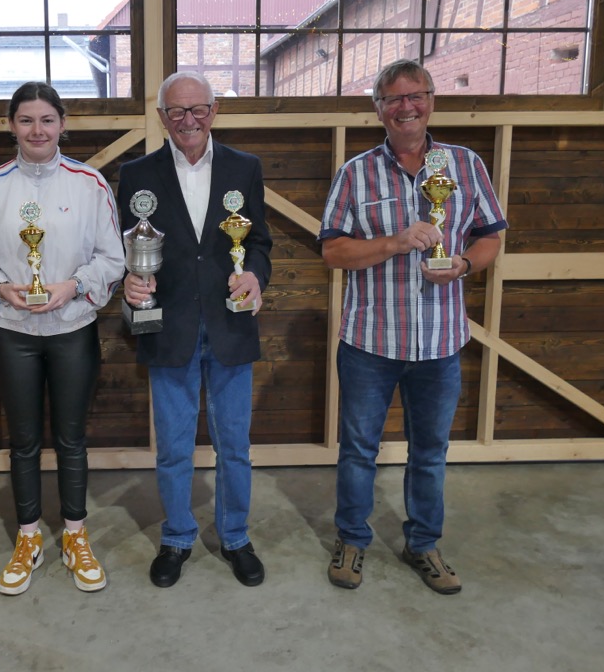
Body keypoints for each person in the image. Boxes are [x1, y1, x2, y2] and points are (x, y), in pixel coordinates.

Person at [319, 59, 508, 595]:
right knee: (358, 450)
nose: (406, 107)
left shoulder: (465, 164)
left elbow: (491, 236)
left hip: (441, 344)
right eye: (394, 99)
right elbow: (332, 251)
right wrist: (395, 242)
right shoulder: (355, 173)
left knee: (430, 453)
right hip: (370, 342)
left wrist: (464, 264)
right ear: (378, 109)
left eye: (416, 95)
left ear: (431, 100)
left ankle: (423, 544)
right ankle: (352, 539)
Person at [0, 82, 124, 596]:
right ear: (11, 126)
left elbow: (112, 258)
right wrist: (1, 288)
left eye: (47, 120)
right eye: (26, 120)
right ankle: (28, 536)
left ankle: (75, 534)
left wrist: (72, 286)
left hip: (73, 328)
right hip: (14, 332)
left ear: (62, 124)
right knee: (24, 440)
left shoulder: (90, 184)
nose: (37, 130)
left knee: (72, 438)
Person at [119, 71, 273, 588]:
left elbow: (259, 243)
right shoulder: (136, 174)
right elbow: (126, 248)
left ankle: (236, 537)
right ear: (162, 116)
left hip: (231, 324)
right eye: (177, 111)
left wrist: (255, 275)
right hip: (169, 328)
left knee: (235, 446)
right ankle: (177, 537)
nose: (189, 120)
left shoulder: (245, 168)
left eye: (198, 109)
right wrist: (128, 282)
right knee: (173, 447)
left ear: (214, 111)